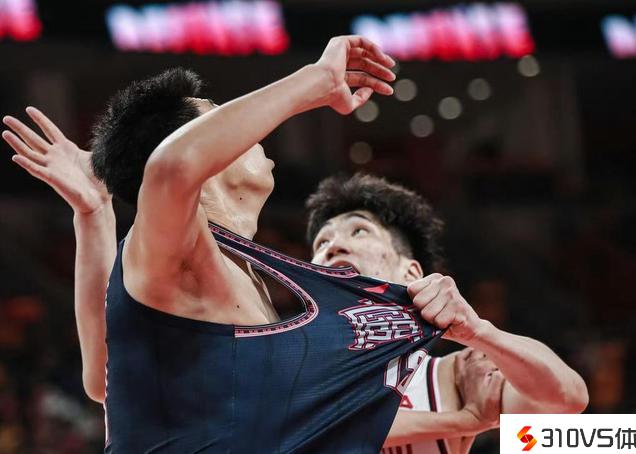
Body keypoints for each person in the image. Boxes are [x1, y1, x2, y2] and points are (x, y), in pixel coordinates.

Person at [3, 36, 461, 453]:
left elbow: (103, 377)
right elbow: (172, 168)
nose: (247, 129)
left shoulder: (238, 271)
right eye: (217, 116)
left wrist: (94, 214)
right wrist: (316, 80)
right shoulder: (183, 252)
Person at [305, 173, 589, 452]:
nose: (333, 247)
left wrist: (478, 332)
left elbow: (567, 400)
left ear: (410, 273)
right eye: (322, 243)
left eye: (359, 230)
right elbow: (322, 428)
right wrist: (461, 421)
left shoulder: (453, 376)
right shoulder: (295, 370)